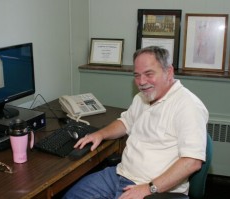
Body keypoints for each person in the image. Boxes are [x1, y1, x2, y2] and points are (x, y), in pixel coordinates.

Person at [63, 46, 208, 199]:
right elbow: (125, 122)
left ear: (169, 72)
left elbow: (192, 161)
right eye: (137, 75)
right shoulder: (142, 97)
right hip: (120, 175)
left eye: (149, 74)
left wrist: (149, 188)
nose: (142, 82)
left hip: (157, 189)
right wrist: (100, 134)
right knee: (72, 196)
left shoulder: (188, 106)